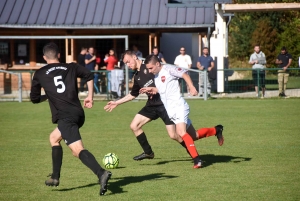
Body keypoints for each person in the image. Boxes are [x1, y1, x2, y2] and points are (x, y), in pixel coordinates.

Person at [104, 51, 224, 169]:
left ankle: (200, 152)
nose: (128, 65)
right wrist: (117, 102)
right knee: (134, 126)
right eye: (125, 63)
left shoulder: (154, 66)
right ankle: (149, 152)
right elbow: (133, 94)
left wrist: (191, 86)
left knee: (177, 135)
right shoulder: (137, 76)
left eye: (128, 61)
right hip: (153, 105)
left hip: (167, 105)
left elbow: (175, 76)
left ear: (135, 57)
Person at [30, 43, 111, 196]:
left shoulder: (40, 73)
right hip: (77, 113)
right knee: (54, 137)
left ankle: (101, 173)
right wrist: (90, 97)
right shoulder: (70, 67)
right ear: (59, 55)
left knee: (77, 150)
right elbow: (88, 74)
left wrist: (47, 96)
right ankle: (55, 177)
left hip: (65, 116)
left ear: (44, 57)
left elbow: (34, 99)